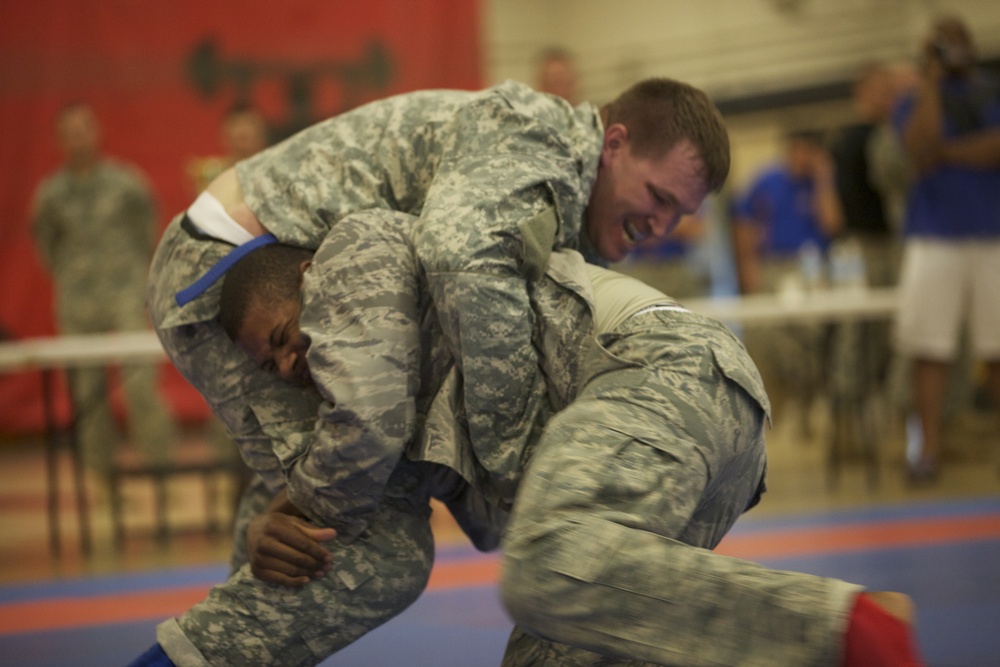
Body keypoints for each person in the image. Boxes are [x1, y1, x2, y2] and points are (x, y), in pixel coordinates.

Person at [134, 212, 922, 666]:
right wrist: (278, 517)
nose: (285, 363)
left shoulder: (362, 264)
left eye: (278, 335)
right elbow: (356, 477)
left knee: (543, 564)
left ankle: (846, 628)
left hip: (664, 374)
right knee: (555, 643)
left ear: (311, 278)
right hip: (660, 445)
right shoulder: (354, 404)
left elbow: (360, 431)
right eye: (267, 361)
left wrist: (288, 500)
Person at [31, 102, 177, 489]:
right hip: (77, 301)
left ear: (97, 132)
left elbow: (149, 231)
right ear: (60, 140)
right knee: (87, 394)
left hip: (125, 293)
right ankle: (101, 481)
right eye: (70, 131)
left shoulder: (127, 183)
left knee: (140, 385)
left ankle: (162, 473)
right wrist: (70, 276)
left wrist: (138, 276)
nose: (79, 138)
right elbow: (45, 243)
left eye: (85, 128)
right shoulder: (51, 194)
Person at [893, 15, 1000, 483]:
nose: (952, 51)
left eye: (956, 43)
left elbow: (996, 147)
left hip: (992, 235)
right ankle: (927, 451)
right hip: (933, 237)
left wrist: (945, 155)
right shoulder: (914, 98)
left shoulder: (992, 89)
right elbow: (919, 144)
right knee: (928, 348)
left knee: (997, 350)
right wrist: (930, 82)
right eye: (942, 45)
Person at [731, 129, 844, 436]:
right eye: (797, 150)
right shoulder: (767, 180)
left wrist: (823, 179)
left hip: (811, 268)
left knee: (811, 339)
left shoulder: (821, 183)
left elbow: (832, 224)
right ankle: (775, 405)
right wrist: (748, 269)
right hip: (773, 266)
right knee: (769, 338)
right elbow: (745, 225)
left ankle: (810, 405)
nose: (801, 158)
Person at [187, 102, 270, 194]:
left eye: (249, 123)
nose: (242, 130)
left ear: (262, 133)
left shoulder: (274, 170)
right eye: (236, 124)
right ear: (224, 134)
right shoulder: (208, 174)